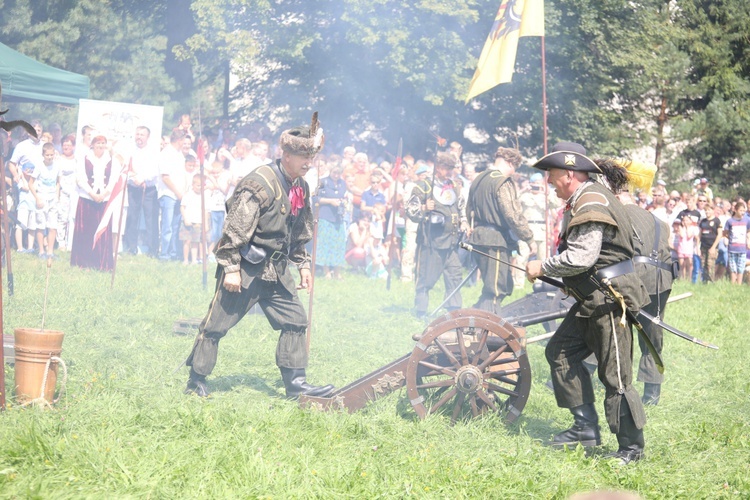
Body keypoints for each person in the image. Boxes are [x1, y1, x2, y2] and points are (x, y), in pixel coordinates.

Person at [184, 121, 334, 399]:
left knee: (295, 321)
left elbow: (298, 230)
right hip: (246, 269)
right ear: (287, 155)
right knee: (215, 326)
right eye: (304, 157)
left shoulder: (300, 186)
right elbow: (234, 229)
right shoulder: (258, 184)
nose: (309, 163)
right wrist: (230, 268)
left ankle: (295, 386)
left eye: (312, 157)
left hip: (276, 271)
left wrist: (302, 265)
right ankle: (196, 380)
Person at [525, 142, 650, 465]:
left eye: (551, 174)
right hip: (591, 297)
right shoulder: (588, 197)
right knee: (560, 352)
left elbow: (582, 256)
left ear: (569, 173)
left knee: (616, 376)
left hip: (610, 299)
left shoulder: (592, 199)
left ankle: (631, 449)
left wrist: (543, 267)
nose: (549, 182)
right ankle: (585, 429)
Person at [601, 161, 673, 407]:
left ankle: (594, 377)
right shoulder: (659, 222)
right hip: (660, 281)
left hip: (630, 279)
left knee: (606, 326)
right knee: (652, 336)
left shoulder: (616, 216)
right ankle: (652, 395)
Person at [466, 147, 535, 314]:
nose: (513, 173)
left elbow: (469, 210)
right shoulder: (502, 181)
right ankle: (488, 327)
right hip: (495, 240)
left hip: (479, 236)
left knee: (497, 285)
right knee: (497, 287)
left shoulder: (478, 179)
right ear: (510, 163)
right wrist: (529, 238)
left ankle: (478, 316)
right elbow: (512, 214)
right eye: (514, 168)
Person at [405, 152, 466, 317]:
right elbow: (410, 210)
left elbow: (461, 207)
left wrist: (464, 221)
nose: (450, 172)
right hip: (432, 241)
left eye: (451, 168)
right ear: (438, 167)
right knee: (427, 278)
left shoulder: (454, 186)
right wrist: (424, 208)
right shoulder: (423, 186)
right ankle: (420, 311)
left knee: (455, 275)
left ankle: (453, 312)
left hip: (452, 241)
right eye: (447, 168)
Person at [70, 135, 119, 271]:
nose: (100, 146)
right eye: (98, 143)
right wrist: (92, 194)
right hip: (87, 199)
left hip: (104, 200)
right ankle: (84, 262)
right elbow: (80, 179)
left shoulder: (111, 160)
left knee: (102, 232)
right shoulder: (84, 158)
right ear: (92, 145)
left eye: (103, 143)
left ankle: (101, 263)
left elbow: (114, 180)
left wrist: (103, 194)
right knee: (86, 231)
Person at [123, 126, 160, 257]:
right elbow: (126, 168)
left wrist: (143, 179)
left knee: (151, 220)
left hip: (149, 189)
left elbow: (155, 171)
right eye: (137, 134)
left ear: (148, 137)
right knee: (132, 217)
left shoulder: (153, 152)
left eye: (142, 135)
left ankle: (153, 250)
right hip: (133, 188)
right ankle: (130, 248)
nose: (139, 137)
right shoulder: (130, 151)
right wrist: (135, 178)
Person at [157, 130, 187, 261]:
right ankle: (164, 254)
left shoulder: (180, 154)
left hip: (179, 195)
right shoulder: (165, 154)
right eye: (184, 141)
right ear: (179, 140)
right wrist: (177, 192)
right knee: (167, 226)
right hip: (169, 194)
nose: (185, 144)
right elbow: (165, 177)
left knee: (175, 226)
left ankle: (173, 253)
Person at [315, 166, 349, 279]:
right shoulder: (323, 181)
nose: (336, 175)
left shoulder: (343, 183)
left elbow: (344, 196)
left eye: (339, 173)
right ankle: (326, 272)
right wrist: (330, 201)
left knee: (339, 244)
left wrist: (343, 202)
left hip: (338, 217)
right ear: (330, 171)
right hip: (325, 216)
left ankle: (337, 272)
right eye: (334, 172)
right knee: (325, 243)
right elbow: (316, 198)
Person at [28, 143, 60, 258]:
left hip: (53, 199)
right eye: (47, 155)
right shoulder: (39, 166)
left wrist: (57, 196)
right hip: (42, 197)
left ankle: (50, 251)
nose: (50, 157)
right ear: (43, 155)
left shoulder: (57, 166)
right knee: (41, 225)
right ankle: (41, 251)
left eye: (52, 155)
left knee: (53, 226)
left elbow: (58, 182)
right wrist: (37, 198)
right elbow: (30, 183)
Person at [180, 174, 208, 265]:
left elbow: (205, 210)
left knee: (195, 242)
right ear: (193, 185)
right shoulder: (188, 195)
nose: (200, 187)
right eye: (198, 185)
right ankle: (185, 260)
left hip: (198, 222)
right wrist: (185, 219)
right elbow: (182, 207)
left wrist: (205, 224)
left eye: (202, 186)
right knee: (186, 241)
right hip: (188, 222)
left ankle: (194, 260)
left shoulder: (204, 196)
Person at [56, 135, 78, 251]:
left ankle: (71, 242)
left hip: (75, 193)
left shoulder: (77, 160)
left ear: (73, 146)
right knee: (62, 218)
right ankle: (61, 242)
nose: (66, 146)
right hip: (63, 192)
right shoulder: (58, 159)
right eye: (64, 144)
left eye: (69, 144)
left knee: (72, 218)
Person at [724, 200, 750, 285]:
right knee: (733, 267)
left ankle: (739, 284)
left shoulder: (747, 220)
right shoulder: (730, 221)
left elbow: (748, 232)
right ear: (735, 210)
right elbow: (725, 233)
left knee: (740, 267)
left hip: (742, 248)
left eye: (744, 211)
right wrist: (730, 239)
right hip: (732, 248)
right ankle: (733, 284)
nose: (742, 212)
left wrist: (748, 241)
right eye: (740, 210)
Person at [698, 204, 722, 283]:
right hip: (703, 246)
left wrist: (713, 247)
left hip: (712, 247)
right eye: (706, 210)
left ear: (713, 210)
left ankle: (711, 282)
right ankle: (704, 282)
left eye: (709, 210)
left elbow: (719, 234)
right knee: (703, 264)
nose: (707, 212)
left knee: (710, 265)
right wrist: (698, 247)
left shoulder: (716, 221)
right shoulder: (703, 221)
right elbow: (700, 234)